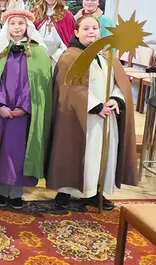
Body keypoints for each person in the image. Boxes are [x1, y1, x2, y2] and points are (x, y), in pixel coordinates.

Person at [47, 15, 137, 210]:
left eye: (94, 28)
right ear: (76, 32)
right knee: (73, 152)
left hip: (106, 116)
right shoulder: (70, 56)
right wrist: (96, 106)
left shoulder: (106, 54)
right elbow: (69, 86)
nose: (91, 32)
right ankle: (66, 191)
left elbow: (119, 82)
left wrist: (115, 99)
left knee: (100, 155)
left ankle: (95, 192)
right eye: (86, 28)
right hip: (79, 116)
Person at [0, 2, 52, 209]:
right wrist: (0, 104)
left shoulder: (38, 52)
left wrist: (24, 106)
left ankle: (16, 192)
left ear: (27, 26)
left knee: (20, 152)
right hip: (2, 111)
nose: (17, 27)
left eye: (20, 23)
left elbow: (38, 84)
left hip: (24, 114)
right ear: (7, 26)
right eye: (13, 23)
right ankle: (0, 190)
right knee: (2, 150)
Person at [33, 0, 76, 64]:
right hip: (38, 54)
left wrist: (57, 55)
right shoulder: (36, 13)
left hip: (59, 56)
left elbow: (69, 39)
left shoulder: (67, 15)